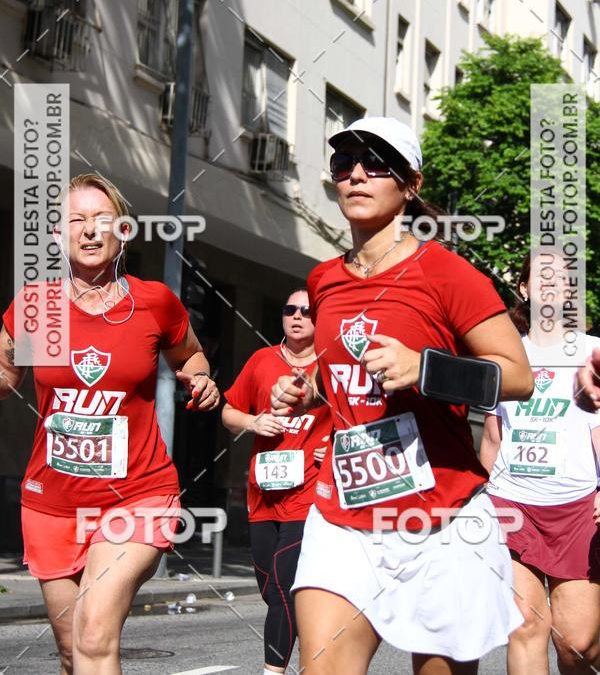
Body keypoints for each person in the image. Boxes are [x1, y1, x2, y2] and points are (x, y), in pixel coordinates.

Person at [271, 116, 534, 675]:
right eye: (344, 163)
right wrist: (307, 390)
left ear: (410, 184)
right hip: (344, 513)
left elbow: (518, 377)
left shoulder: (447, 273)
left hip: (443, 518)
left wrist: (426, 368)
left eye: (376, 164)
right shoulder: (322, 281)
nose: (356, 175)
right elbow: (340, 373)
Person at [0, 173, 219, 675]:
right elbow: (6, 377)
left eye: (102, 219)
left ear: (124, 230)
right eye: (76, 220)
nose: (89, 230)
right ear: (58, 234)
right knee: (70, 652)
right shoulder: (36, 306)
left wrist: (201, 379)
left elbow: (191, 356)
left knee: (94, 633)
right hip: (52, 503)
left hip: (137, 494)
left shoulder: (154, 302)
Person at [480, 251, 600, 674]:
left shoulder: (593, 352)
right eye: (541, 276)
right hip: (512, 501)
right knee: (525, 624)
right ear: (525, 289)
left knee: (578, 643)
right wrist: (480, 499)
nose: (551, 283)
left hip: (578, 507)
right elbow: (492, 437)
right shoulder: (504, 359)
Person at [222, 289, 332, 675]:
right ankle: (314, 652)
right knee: (271, 590)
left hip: (309, 495)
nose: (297, 316)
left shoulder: (331, 366)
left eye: (306, 310)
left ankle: (273, 671)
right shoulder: (261, 360)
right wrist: (252, 421)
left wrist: (334, 446)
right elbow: (229, 411)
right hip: (263, 496)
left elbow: (359, 417)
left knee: (283, 585)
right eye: (289, 309)